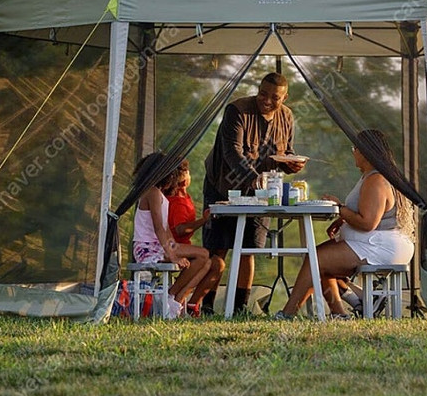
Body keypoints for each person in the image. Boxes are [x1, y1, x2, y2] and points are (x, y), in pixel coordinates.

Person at [192, 72, 307, 314]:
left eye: (274, 97)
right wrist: (253, 177)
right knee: (218, 248)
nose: (267, 100)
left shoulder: (286, 116)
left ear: (285, 97)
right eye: (263, 94)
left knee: (248, 248)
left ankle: (240, 308)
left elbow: (285, 151)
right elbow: (232, 152)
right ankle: (205, 306)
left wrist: (291, 163)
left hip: (261, 193)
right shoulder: (237, 110)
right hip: (222, 186)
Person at [274, 129, 415, 320]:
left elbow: (367, 222)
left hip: (382, 246)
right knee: (319, 259)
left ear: (364, 152)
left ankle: (287, 314)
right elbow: (368, 212)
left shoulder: (376, 180)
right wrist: (343, 219)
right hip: (377, 242)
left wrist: (340, 209)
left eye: (354, 149)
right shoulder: (372, 176)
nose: (353, 153)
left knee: (316, 260)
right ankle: (345, 309)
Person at [132, 153, 211, 318]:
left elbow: (166, 229)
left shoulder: (159, 194)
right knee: (202, 255)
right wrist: (173, 255)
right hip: (147, 248)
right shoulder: (152, 192)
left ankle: (173, 297)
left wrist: (175, 248)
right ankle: (171, 296)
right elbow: (158, 228)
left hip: (159, 245)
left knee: (205, 257)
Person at [164, 159, 211, 316]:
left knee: (209, 263)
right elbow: (181, 229)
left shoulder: (185, 197)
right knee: (204, 255)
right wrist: (203, 221)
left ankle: (178, 302)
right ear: (184, 180)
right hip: (174, 246)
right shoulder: (177, 201)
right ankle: (171, 294)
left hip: (183, 245)